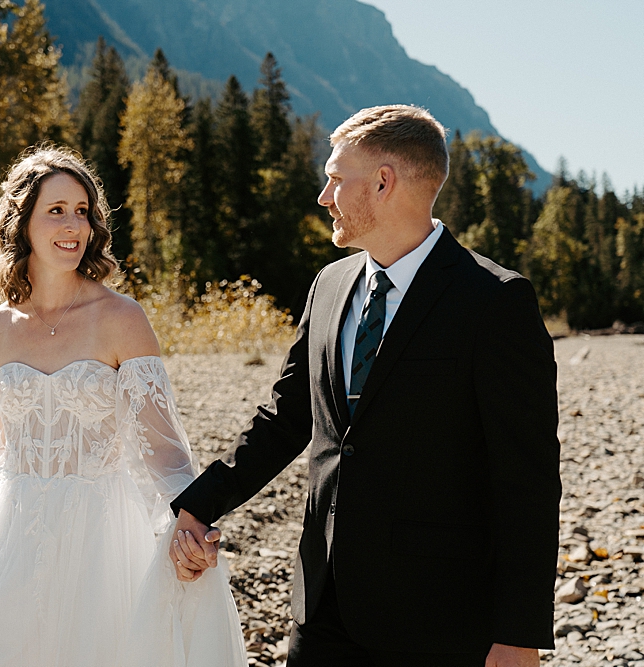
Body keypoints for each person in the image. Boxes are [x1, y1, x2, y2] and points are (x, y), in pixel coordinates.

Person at [169, 105, 561, 667]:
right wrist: (199, 506)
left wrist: (519, 631)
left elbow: (527, 480)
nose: (324, 196)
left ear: (383, 181)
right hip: (323, 607)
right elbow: (286, 418)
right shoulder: (328, 286)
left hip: (440, 622)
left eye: (334, 178)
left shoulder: (496, 302)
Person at [0, 146, 245, 667]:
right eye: (55, 210)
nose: (72, 225)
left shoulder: (121, 318)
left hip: (99, 542)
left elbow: (165, 453)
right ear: (22, 222)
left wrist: (191, 526)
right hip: (9, 538)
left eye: (81, 210)